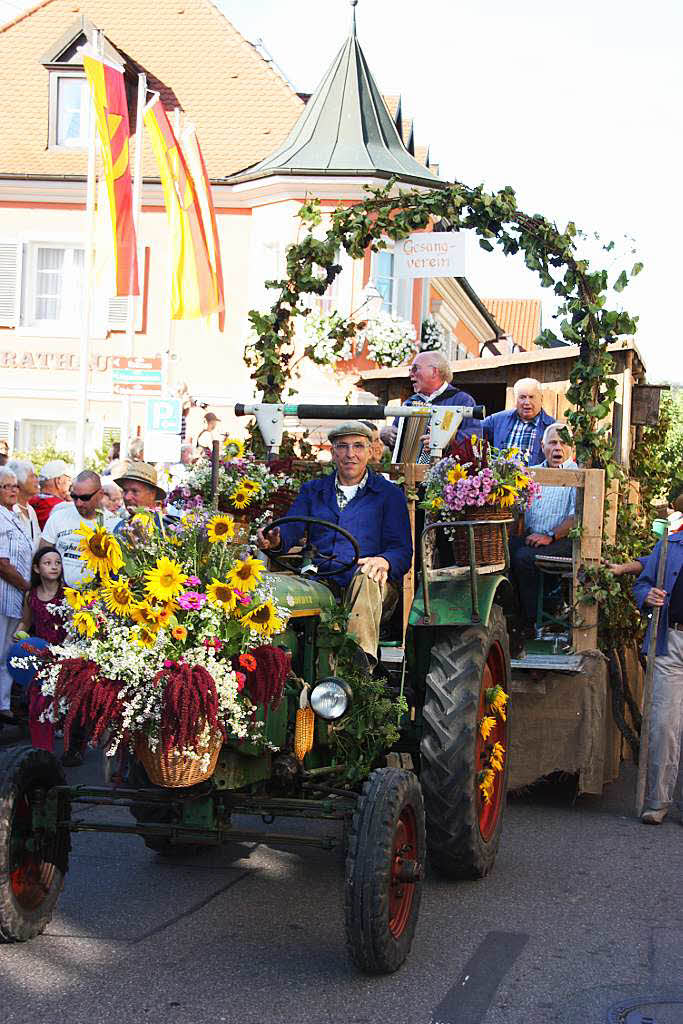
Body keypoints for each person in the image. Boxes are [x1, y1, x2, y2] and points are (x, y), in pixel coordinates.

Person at [257, 421, 412, 666]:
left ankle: (356, 670)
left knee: (367, 577)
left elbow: (402, 551)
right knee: (274, 584)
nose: (351, 454)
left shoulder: (388, 494)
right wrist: (276, 538)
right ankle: (279, 664)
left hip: (374, 588)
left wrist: (384, 560)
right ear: (333, 453)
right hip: (322, 579)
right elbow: (290, 528)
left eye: (358, 446)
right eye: (343, 447)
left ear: (370, 452)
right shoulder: (314, 491)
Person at [632, 496, 683, 825]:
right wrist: (646, 596)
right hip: (670, 642)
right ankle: (658, 801)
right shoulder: (669, 545)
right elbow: (643, 583)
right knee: (663, 723)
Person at [509, 422, 577, 629]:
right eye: (553, 443)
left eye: (564, 443)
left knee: (523, 558)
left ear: (571, 448)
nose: (558, 448)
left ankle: (531, 621)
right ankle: (511, 615)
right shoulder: (532, 472)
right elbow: (519, 510)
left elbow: (576, 517)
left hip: (563, 540)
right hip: (534, 536)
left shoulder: (578, 474)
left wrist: (550, 535)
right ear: (542, 445)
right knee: (503, 551)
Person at [14, 546, 66, 752]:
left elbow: (73, 627)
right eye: (47, 563)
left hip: (64, 656)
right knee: (38, 703)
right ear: (36, 568)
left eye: (57, 563)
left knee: (64, 707)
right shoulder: (31, 595)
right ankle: (42, 752)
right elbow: (25, 623)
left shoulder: (67, 595)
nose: (54, 567)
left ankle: (70, 748)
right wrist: (18, 635)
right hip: (39, 655)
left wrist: (63, 651)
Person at [379, 351, 476, 458]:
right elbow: (397, 437)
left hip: (447, 471)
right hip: (410, 472)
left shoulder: (462, 401)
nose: (410, 374)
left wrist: (444, 441)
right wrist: (387, 434)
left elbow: (473, 438)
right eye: (410, 370)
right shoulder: (409, 403)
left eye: (415, 369)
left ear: (434, 371)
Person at [40, 471, 115, 590]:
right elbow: (42, 555)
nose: (79, 503)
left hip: (97, 597)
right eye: (74, 497)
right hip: (59, 594)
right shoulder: (58, 517)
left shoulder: (114, 523)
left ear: (100, 494)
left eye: (85, 498)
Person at [0, 466, 32, 725]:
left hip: (15, 594)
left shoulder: (14, 514)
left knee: (7, 650)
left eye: (14, 486)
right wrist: (25, 586)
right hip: (4, 593)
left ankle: (4, 704)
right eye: (5, 486)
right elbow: (1, 563)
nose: (12, 490)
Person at [481, 377, 555, 466]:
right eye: (522, 397)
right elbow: (473, 429)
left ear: (541, 399)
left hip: (534, 478)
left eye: (531, 397)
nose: (527, 402)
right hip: (500, 478)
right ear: (515, 400)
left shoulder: (551, 427)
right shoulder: (498, 420)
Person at [8, 459, 41, 554]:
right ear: (19, 482)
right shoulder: (9, 512)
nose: (37, 480)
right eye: (32, 476)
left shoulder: (30, 510)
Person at [30, 459, 74, 529]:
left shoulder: (28, 502)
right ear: (58, 481)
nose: (70, 483)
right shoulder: (65, 507)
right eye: (68, 479)